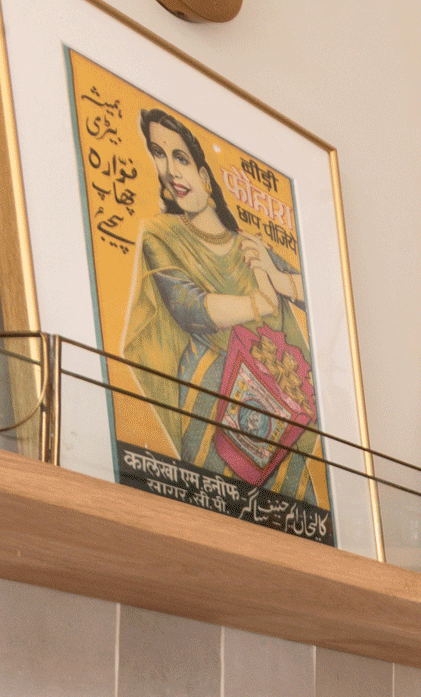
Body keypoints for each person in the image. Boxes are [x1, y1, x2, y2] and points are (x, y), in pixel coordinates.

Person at [118, 107, 322, 501]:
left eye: (180, 158)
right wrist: (257, 303)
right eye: (158, 155)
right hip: (209, 405)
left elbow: (323, 303)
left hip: (276, 414)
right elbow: (188, 308)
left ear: (205, 176)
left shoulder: (249, 244)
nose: (170, 171)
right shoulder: (160, 236)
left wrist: (278, 281)